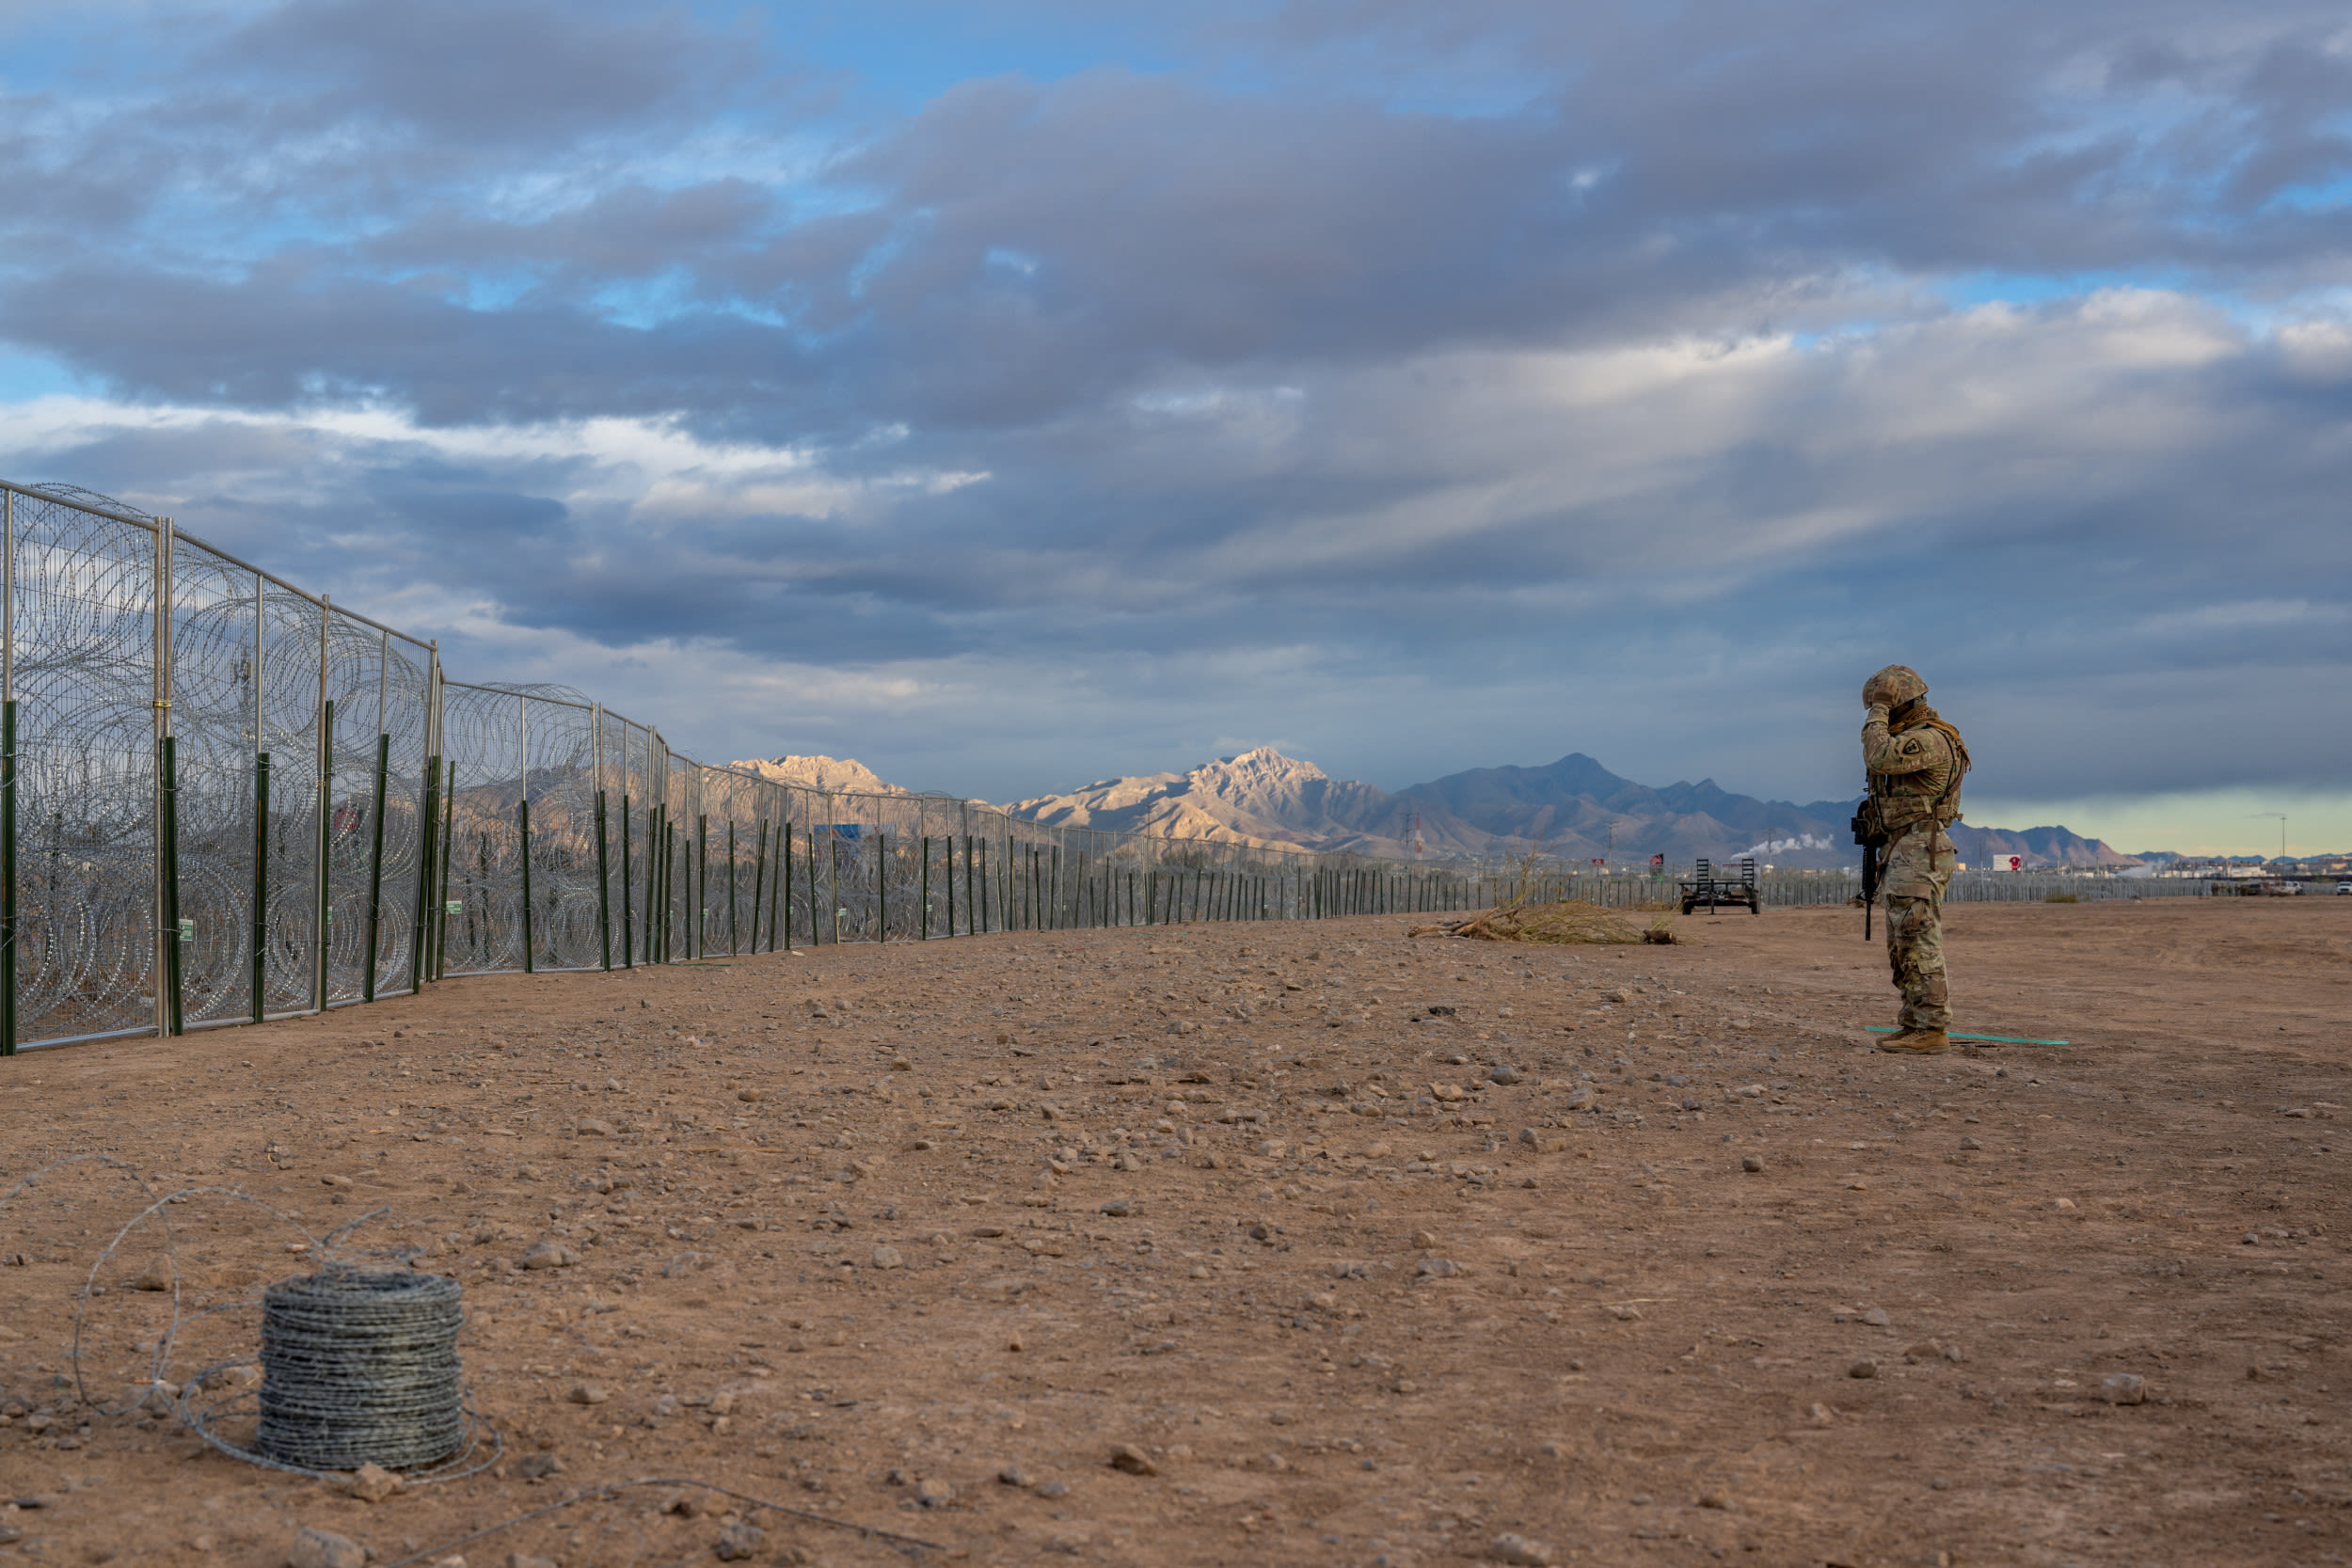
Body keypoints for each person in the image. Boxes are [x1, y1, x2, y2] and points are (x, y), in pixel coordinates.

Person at [1859, 664, 1971, 1053]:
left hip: (1919, 848)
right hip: (1907, 846)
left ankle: (1933, 1028)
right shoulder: (1923, 736)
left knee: (1919, 939)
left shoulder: (1928, 740)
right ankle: (1914, 1023)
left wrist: (1877, 711)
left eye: (1889, 707)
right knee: (1904, 942)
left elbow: (1878, 757)